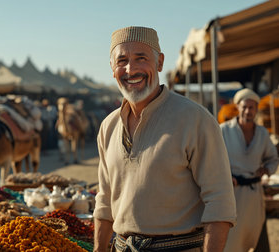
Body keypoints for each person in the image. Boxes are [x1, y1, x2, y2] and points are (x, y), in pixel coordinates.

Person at [93, 26, 237, 252]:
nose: (131, 69)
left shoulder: (195, 119)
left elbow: (220, 203)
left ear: (159, 62)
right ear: (112, 68)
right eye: (122, 60)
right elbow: (104, 201)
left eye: (141, 58)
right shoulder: (108, 127)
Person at [220, 88, 278, 252]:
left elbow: (273, 158)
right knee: (231, 241)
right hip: (231, 194)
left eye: (251, 107)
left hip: (254, 196)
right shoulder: (224, 130)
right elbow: (212, 159)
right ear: (237, 107)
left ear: (256, 109)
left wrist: (267, 169)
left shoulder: (262, 134)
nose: (248, 111)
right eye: (244, 107)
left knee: (254, 234)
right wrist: (224, 177)